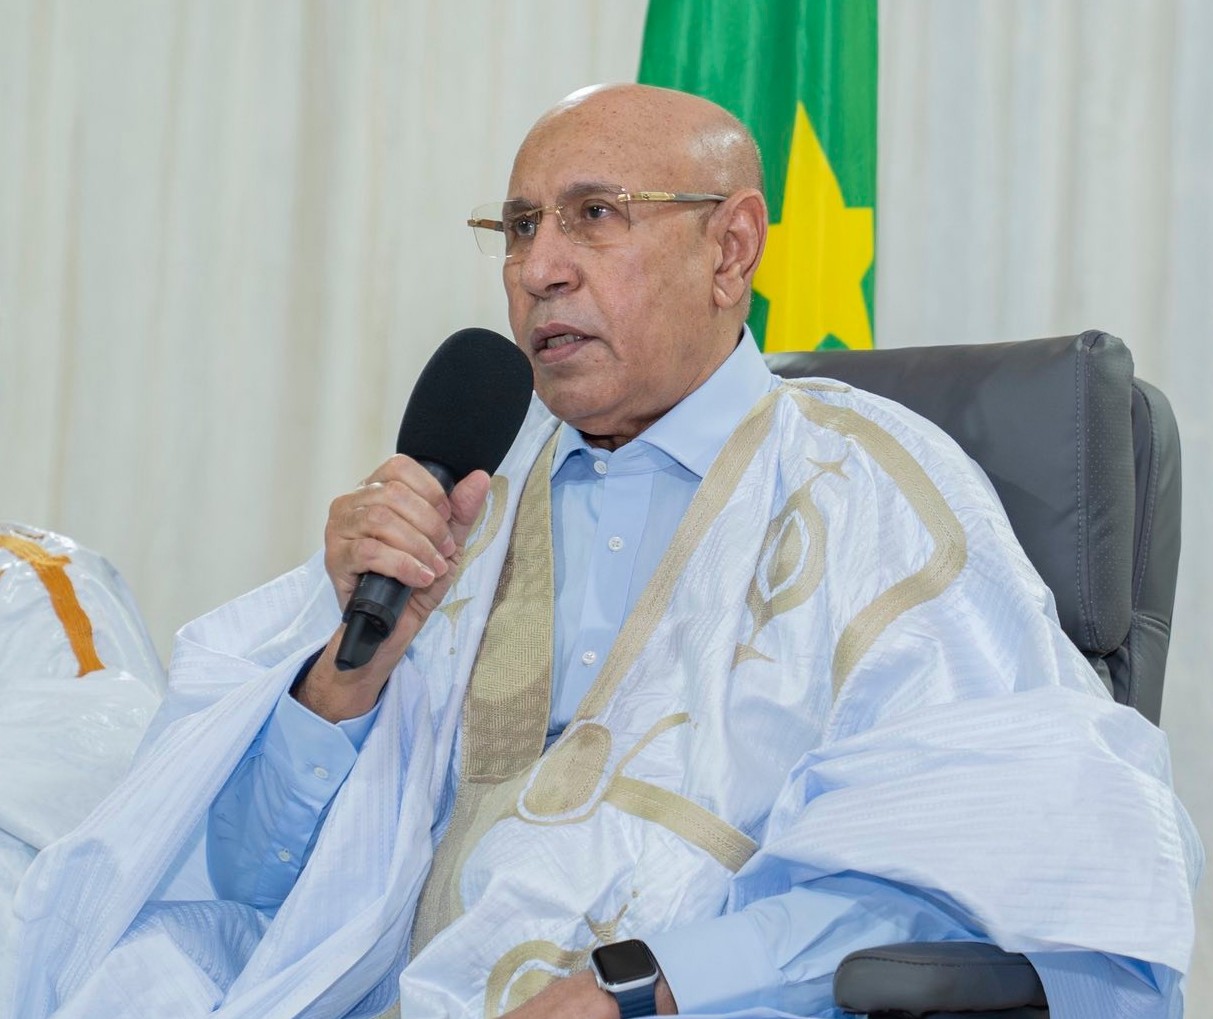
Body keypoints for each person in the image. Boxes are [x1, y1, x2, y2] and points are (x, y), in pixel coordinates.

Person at [12, 84, 1199, 1019]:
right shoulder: (465, 493)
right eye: (520, 226)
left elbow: (986, 843)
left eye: (593, 214)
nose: (539, 266)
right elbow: (256, 872)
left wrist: (647, 978)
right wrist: (345, 675)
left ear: (732, 247)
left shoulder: (869, 482)